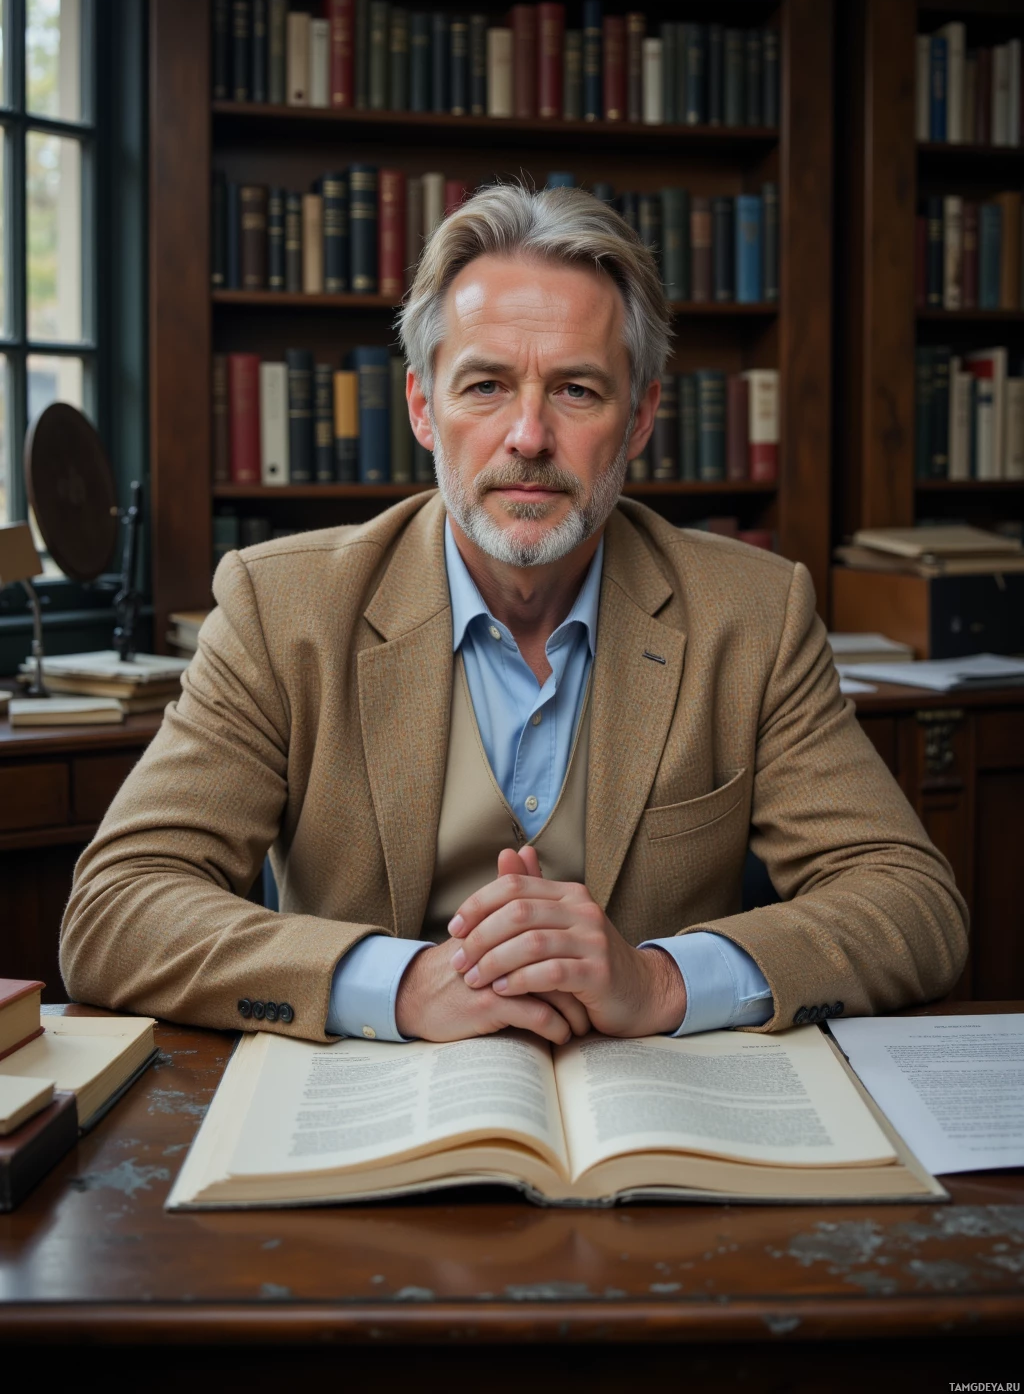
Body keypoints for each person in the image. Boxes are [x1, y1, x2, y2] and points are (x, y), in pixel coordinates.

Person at [60, 184, 968, 1048]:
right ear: (423, 406)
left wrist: (660, 983)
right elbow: (117, 908)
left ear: (642, 416)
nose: (528, 436)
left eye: (577, 390)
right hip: (362, 1120)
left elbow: (912, 902)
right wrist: (403, 985)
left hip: (653, 1128)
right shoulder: (281, 607)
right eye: (485, 385)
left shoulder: (755, 616)